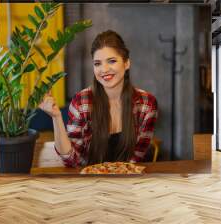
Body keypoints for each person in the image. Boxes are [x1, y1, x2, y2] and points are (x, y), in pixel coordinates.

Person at [39, 30, 158, 167]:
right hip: (88, 182)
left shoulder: (147, 104)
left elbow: (136, 158)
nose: (104, 69)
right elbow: (72, 160)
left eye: (112, 61)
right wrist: (56, 117)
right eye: (97, 63)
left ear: (126, 64)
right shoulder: (80, 102)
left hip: (128, 181)